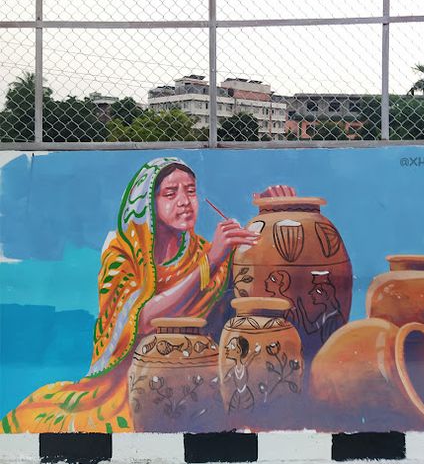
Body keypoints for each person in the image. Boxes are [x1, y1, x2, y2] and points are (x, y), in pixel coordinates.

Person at [0, 157, 260, 434]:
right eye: (171, 194)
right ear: (148, 203)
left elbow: (251, 282)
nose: (185, 201)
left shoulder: (203, 252)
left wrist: (266, 219)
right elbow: (142, 319)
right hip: (130, 382)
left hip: (195, 372)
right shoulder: (123, 254)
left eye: (191, 191)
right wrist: (209, 263)